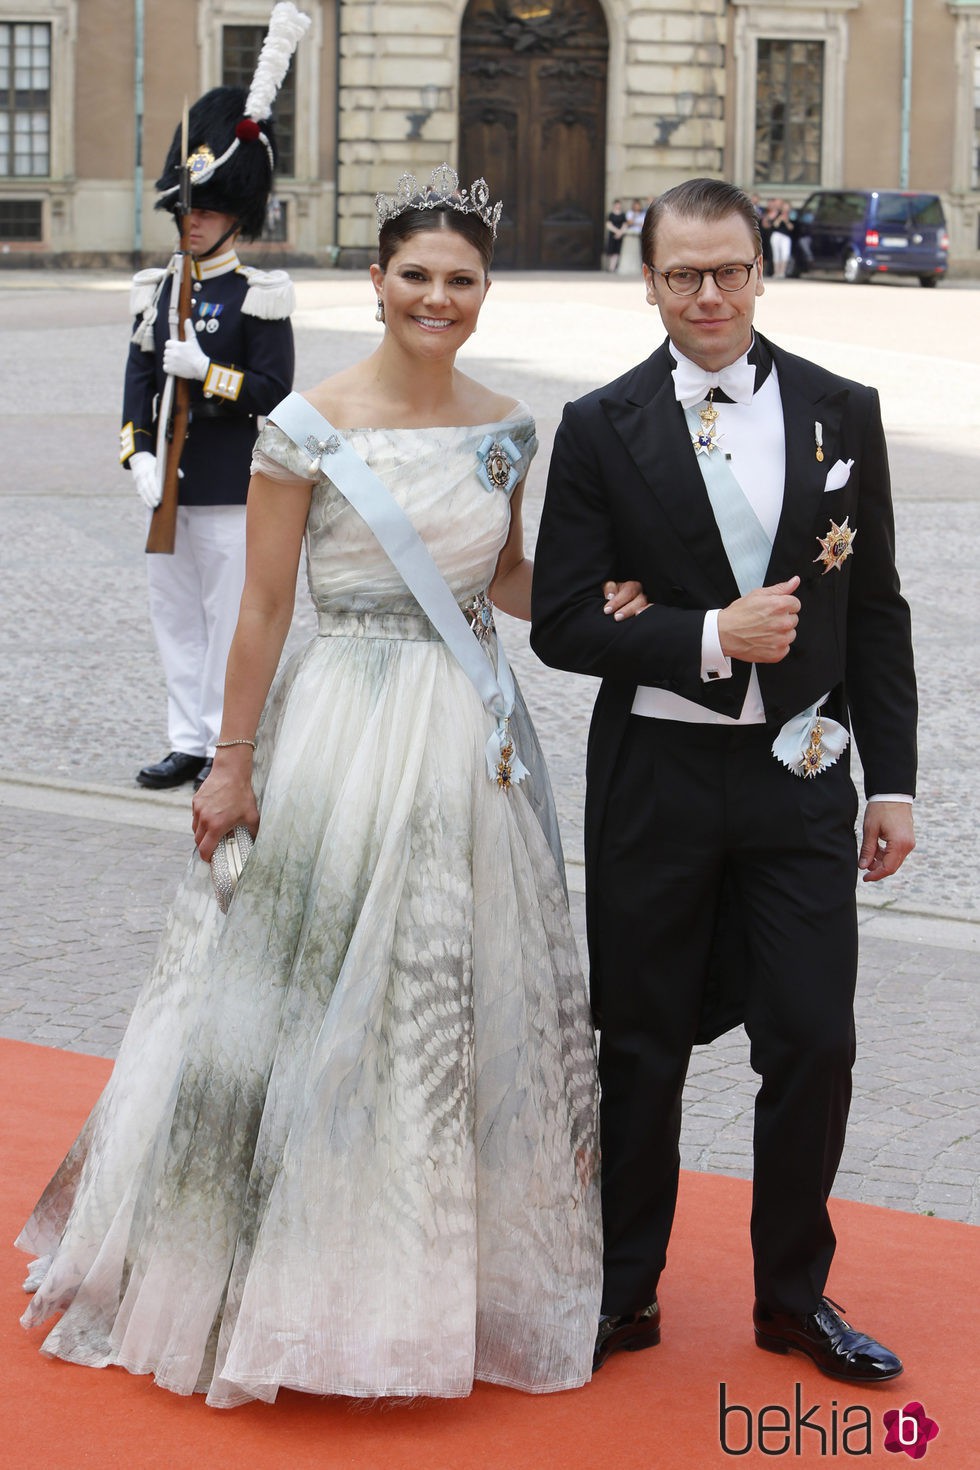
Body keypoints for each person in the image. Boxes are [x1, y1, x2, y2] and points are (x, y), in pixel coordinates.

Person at [17, 165, 648, 1406]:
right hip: (341, 732)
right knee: (307, 1000)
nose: (437, 297)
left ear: (484, 293)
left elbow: (506, 583)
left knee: (441, 1006)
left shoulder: (511, 426)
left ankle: (424, 1287)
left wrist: (607, 593)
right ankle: (278, 1278)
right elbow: (258, 607)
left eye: (460, 280)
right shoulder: (304, 423)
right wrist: (229, 760)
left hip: (470, 739)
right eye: (414, 274)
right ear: (374, 281)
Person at [531, 178, 917, 1384]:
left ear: (763, 267)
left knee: (811, 1037)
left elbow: (879, 611)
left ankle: (793, 1299)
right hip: (656, 775)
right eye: (682, 274)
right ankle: (621, 1291)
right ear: (644, 282)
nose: (709, 296)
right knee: (640, 1044)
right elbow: (557, 621)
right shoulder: (599, 425)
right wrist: (704, 635)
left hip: (801, 778)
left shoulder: (838, 410)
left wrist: (890, 783)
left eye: (730, 270)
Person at [124, 77, 298, 793]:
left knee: (227, 620)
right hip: (168, 485)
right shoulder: (160, 288)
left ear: (236, 218)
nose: (190, 224)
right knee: (174, 617)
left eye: (207, 212)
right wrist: (137, 451)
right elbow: (137, 381)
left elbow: (274, 393)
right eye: (186, 213)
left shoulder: (256, 293)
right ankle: (185, 740)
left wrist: (210, 372)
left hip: (230, 485)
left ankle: (227, 743)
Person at [604, 199, 627, 271]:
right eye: (617, 204)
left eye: (619, 204)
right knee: (611, 251)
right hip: (612, 234)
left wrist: (620, 232)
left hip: (619, 235)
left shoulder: (623, 215)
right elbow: (608, 224)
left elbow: (624, 224)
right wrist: (616, 231)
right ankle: (611, 266)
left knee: (617, 251)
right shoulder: (611, 214)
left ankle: (612, 267)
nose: (618, 206)